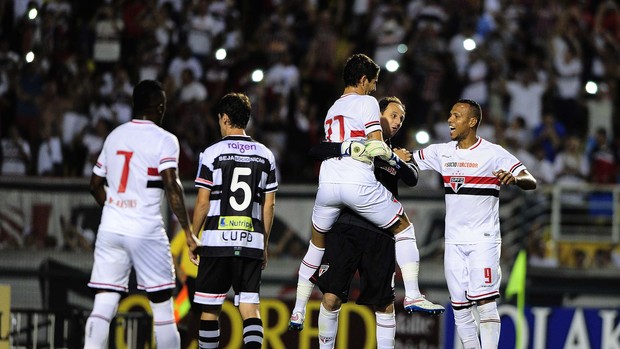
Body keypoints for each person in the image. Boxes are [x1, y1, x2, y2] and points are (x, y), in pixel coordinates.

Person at [289, 54, 444, 331]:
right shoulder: (368, 103)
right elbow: (374, 145)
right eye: (372, 83)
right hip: (357, 189)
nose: (373, 88)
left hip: (327, 186)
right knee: (405, 228)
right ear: (363, 81)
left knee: (315, 244)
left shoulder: (333, 108)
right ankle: (413, 294)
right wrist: (390, 155)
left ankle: (298, 310)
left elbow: (322, 148)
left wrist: (373, 153)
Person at [410, 99, 537, 348]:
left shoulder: (493, 153)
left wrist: (515, 178)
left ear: (472, 121)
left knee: (486, 303)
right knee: (459, 307)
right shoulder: (442, 152)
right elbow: (410, 159)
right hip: (454, 241)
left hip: (484, 240)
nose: (450, 120)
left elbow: (530, 179)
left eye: (456, 116)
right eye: (450, 114)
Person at [84, 79, 198, 349]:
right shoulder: (165, 139)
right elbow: (171, 184)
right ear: (159, 107)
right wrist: (188, 232)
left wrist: (115, 208)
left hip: (111, 228)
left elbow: (94, 185)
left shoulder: (114, 136)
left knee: (104, 302)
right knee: (162, 309)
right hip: (146, 230)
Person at [309, 96, 422, 348]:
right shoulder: (355, 141)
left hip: (380, 234)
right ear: (376, 115)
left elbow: (412, 177)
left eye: (401, 118)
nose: (398, 122)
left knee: (384, 303)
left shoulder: (397, 152)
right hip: (346, 226)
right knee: (331, 297)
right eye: (393, 115)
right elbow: (317, 150)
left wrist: (393, 157)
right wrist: (350, 148)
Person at [190, 92, 277, 349]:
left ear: (225, 118)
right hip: (251, 240)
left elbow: (203, 202)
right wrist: (264, 243)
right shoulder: (265, 155)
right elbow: (269, 204)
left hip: (216, 241)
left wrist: (193, 235)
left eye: (219, 119)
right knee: (250, 308)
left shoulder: (212, 153)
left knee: (210, 308)